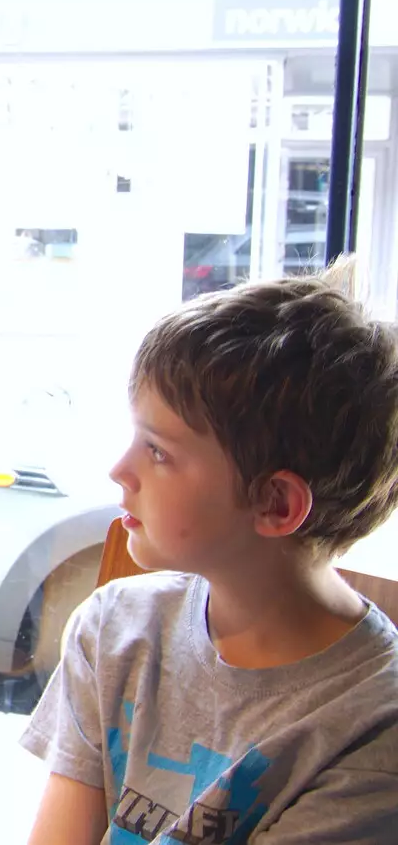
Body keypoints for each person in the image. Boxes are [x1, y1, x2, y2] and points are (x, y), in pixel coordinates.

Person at [23, 263, 398, 844]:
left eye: (159, 451)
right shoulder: (115, 629)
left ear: (275, 503)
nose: (120, 470)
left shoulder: (371, 727)